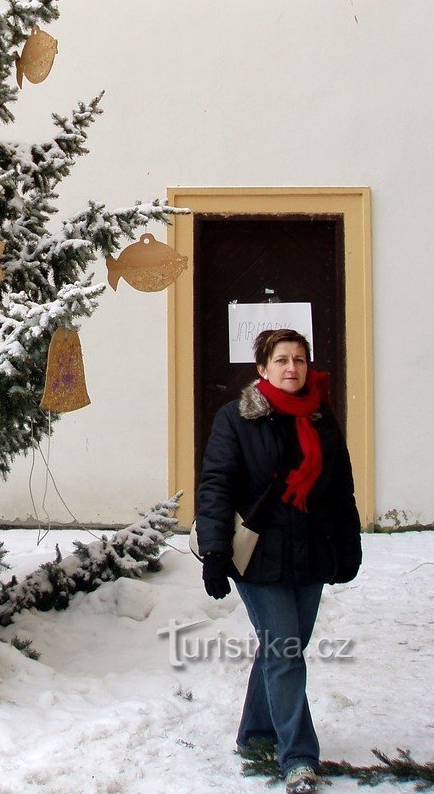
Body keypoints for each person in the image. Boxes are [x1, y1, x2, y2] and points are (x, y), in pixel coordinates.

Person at [195, 328, 362, 794]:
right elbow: (216, 485)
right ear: (262, 368)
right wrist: (214, 552)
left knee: (283, 647)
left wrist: (350, 546)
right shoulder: (236, 418)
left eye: (301, 359)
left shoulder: (322, 417)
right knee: (286, 652)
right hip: (260, 557)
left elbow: (339, 490)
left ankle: (255, 733)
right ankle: (299, 758)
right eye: (282, 359)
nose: (293, 368)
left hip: (312, 554)